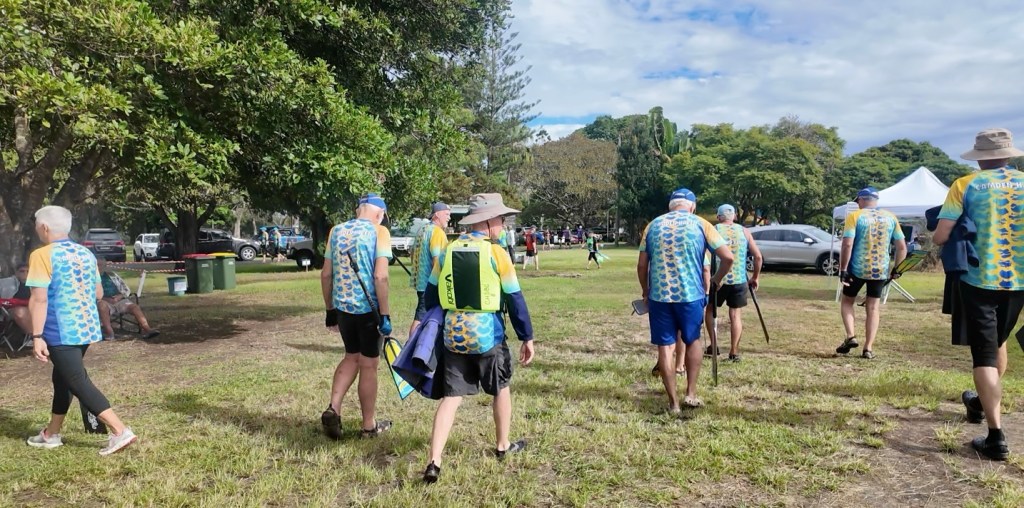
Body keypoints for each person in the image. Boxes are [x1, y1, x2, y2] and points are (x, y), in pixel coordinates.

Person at [420, 193, 535, 483]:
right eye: (501, 218)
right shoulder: (497, 253)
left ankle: (434, 460)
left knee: (451, 397)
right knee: (501, 388)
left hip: (454, 334)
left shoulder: (447, 250)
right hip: (487, 334)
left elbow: (432, 292)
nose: (503, 224)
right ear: (488, 221)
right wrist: (527, 336)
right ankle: (502, 445)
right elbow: (514, 298)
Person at [933, 128, 1024, 461]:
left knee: (984, 353)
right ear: (1009, 155)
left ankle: (996, 436)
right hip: (1020, 281)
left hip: (979, 279)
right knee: (999, 340)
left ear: (981, 157)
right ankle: (979, 402)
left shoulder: (965, 185)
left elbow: (942, 235)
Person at [25, 205, 137, 455]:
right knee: (62, 378)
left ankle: (120, 431)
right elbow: (98, 293)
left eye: (36, 226)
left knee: (76, 380)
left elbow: (39, 299)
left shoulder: (42, 255)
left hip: (59, 330)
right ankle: (51, 434)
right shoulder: (86, 254)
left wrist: (36, 335)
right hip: (86, 328)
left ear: (44, 227)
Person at [638, 188, 733, 412]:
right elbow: (727, 257)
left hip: (660, 295)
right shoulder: (701, 224)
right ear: (692, 206)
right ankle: (690, 393)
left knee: (665, 347)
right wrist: (716, 281)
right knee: (692, 340)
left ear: (671, 206)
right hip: (691, 295)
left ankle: (673, 403)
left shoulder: (653, 225)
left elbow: (642, 265)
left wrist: (645, 290)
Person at [319, 193, 394, 440]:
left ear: (358, 209)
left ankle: (334, 408)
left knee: (351, 356)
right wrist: (385, 314)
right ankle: (368, 426)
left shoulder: (336, 231)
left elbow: (326, 275)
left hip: (343, 309)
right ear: (379, 214)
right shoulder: (379, 232)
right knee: (369, 364)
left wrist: (330, 308)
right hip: (368, 310)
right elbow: (380, 277)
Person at [835, 187, 907, 359]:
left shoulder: (855, 216)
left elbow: (847, 244)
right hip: (880, 271)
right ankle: (868, 348)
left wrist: (843, 269)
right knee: (873, 308)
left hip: (857, 269)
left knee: (847, 302)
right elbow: (902, 247)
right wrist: (897, 268)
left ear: (860, 200)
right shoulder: (891, 217)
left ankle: (851, 336)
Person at [703, 204, 762, 362]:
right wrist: (755, 277)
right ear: (734, 216)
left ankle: (713, 345)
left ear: (718, 217)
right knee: (735, 315)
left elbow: (706, 256)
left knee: (710, 310)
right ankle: (734, 351)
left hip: (718, 279)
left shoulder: (713, 230)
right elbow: (758, 257)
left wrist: (707, 276)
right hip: (739, 280)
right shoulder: (745, 231)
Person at [409, 202, 451, 339]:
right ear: (437, 215)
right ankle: (410, 347)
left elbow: (412, 254)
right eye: (447, 214)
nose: (449, 217)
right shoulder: (437, 232)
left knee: (423, 314)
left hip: (421, 282)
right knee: (421, 316)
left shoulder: (422, 230)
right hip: (431, 283)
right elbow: (437, 260)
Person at [95, 259, 160, 341]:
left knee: (134, 307)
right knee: (102, 305)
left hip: (119, 300)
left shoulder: (112, 275)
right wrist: (105, 299)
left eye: (101, 265)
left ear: (105, 266)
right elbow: (91, 294)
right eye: (97, 265)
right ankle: (109, 333)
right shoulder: (90, 279)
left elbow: (126, 289)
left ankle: (147, 329)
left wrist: (119, 296)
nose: (99, 267)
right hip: (104, 301)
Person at [0, 263, 32, 334]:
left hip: (33, 309)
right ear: (16, 272)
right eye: (22, 271)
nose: (25, 273)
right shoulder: (6, 282)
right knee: (20, 312)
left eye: (28, 271)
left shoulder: (36, 285)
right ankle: (35, 337)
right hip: (10, 311)